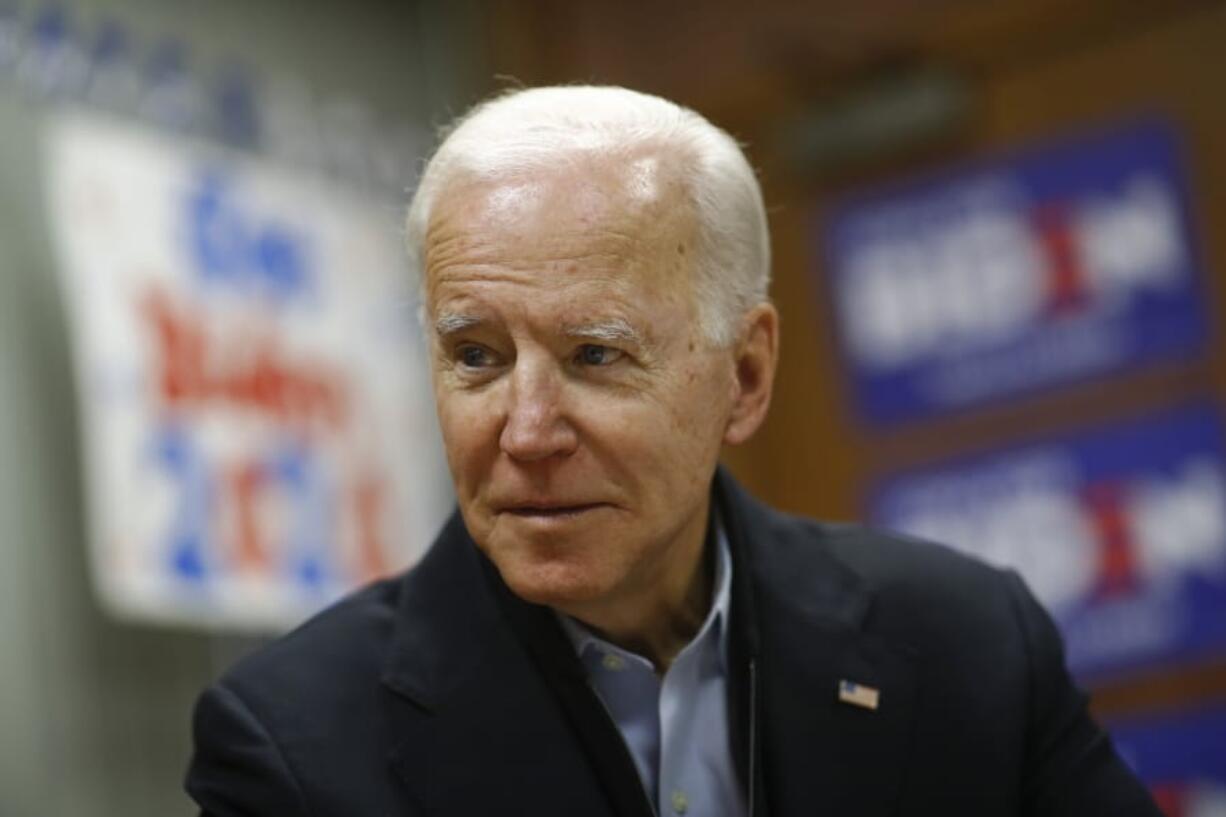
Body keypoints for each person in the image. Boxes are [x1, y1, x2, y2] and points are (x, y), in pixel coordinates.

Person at [185, 85, 1160, 817]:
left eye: (595, 354)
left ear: (743, 377)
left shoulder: (965, 643)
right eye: (474, 355)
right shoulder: (292, 752)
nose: (523, 431)